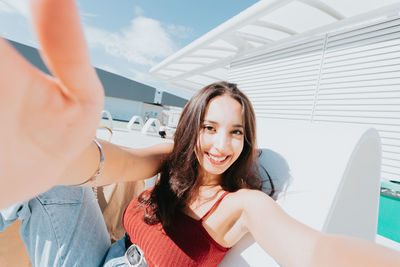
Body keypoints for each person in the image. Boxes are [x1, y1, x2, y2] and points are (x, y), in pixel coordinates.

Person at [0, 1, 400, 266]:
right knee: (44, 171)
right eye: (209, 128)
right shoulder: (171, 159)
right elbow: (109, 163)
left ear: (246, 140)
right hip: (104, 256)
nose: (221, 145)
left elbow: (315, 250)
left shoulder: (241, 204)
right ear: (193, 128)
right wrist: (65, 146)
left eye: (236, 132)